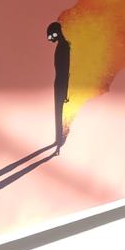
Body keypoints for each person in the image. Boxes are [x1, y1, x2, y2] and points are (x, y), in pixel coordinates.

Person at [46, 21, 71, 152]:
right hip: (59, 83)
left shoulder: (64, 46)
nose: (51, 39)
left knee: (60, 110)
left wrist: (65, 90)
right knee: (58, 110)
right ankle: (58, 138)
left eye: (52, 36)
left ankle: (59, 140)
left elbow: (65, 70)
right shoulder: (62, 45)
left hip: (61, 83)